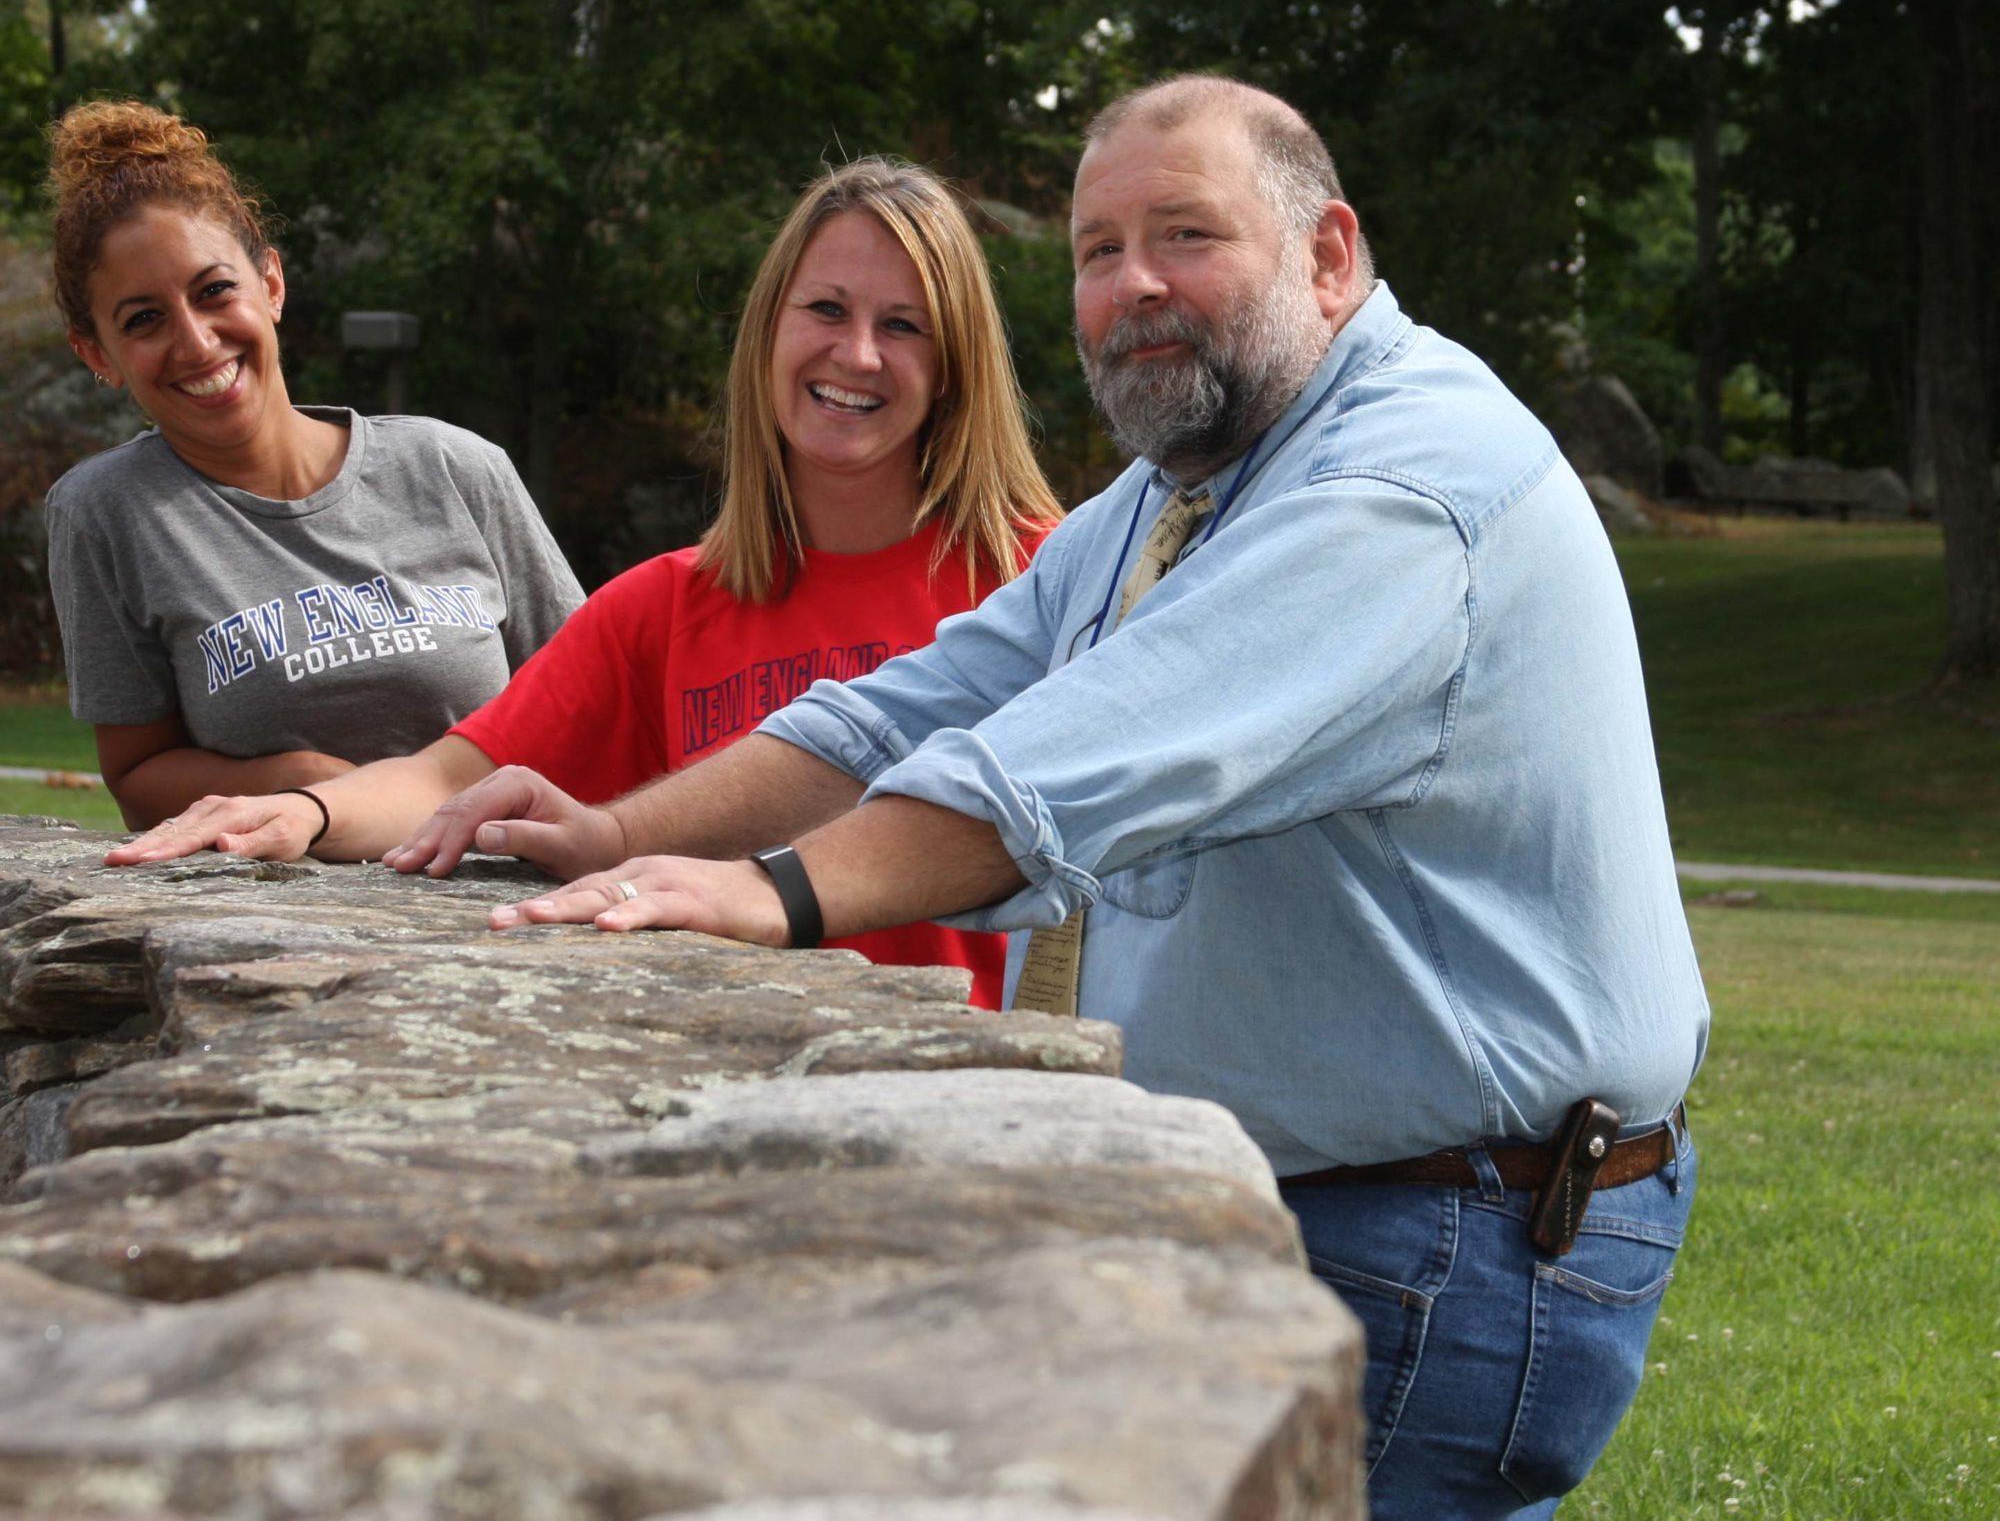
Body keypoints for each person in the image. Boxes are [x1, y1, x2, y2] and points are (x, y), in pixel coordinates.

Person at [396, 77, 1710, 1516]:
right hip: (1350, 1209)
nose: (1133, 284)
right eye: (1096, 251)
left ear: (1329, 256)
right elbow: (919, 699)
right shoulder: (1182, 490)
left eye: (1186, 235)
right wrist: (625, 833)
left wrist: (767, 894)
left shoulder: (1398, 489)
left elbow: (1058, 764)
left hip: (1442, 1236)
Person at [105, 156, 1062, 1010]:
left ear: (955, 367)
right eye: (826, 309)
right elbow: (445, 780)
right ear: (768, 330)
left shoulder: (1048, 577)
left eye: (903, 325)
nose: (857, 354)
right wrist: (304, 812)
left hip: (971, 1100)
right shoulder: (662, 607)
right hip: (736, 1086)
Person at [44, 100, 583, 830]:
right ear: (96, 354)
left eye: (214, 291)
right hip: (283, 920)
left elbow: (592, 695)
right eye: (144, 319)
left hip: (506, 896)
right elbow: (138, 776)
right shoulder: (106, 512)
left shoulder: (454, 467)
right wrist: (308, 785)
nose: (198, 343)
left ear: (270, 284)